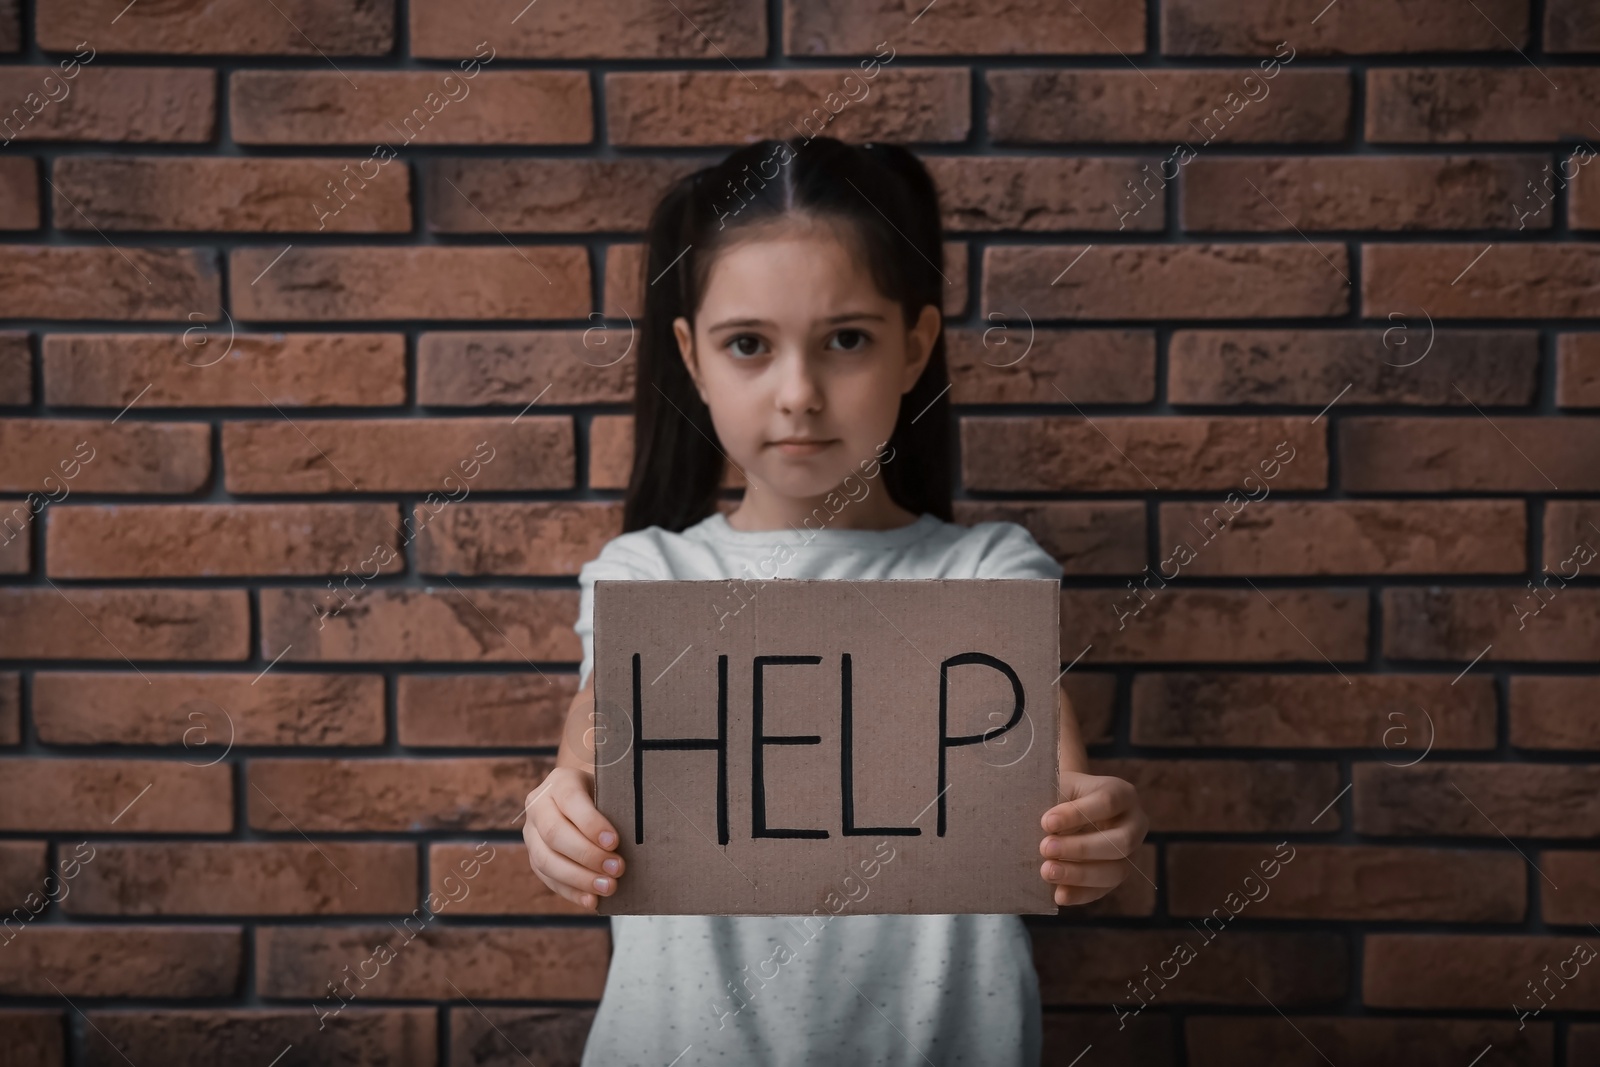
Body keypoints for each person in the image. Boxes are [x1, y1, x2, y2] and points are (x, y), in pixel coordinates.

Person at [521, 135, 1149, 1066]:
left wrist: (1090, 831)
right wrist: (560, 816)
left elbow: (1049, 793)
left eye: (846, 339)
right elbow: (592, 747)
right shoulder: (645, 574)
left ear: (915, 347)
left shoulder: (989, 570)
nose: (799, 394)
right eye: (749, 346)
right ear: (692, 358)